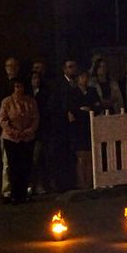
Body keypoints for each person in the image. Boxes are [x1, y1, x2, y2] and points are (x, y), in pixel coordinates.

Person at [0, 79, 39, 204]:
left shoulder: (30, 101)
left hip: (27, 138)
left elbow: (35, 117)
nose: (18, 89)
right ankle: (14, 194)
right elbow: (3, 120)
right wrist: (14, 132)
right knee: (13, 167)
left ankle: (24, 193)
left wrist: (28, 131)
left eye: (21, 86)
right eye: (16, 86)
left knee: (26, 166)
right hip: (11, 138)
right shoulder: (7, 102)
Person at [47, 59, 78, 192]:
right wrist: (66, 113)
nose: (73, 69)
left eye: (74, 67)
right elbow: (55, 104)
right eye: (70, 67)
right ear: (64, 69)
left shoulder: (75, 84)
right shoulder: (59, 85)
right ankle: (62, 184)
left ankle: (71, 181)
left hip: (72, 125)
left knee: (71, 155)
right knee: (61, 155)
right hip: (61, 126)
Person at [67, 70, 99, 189]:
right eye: (81, 77)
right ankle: (81, 182)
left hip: (90, 125)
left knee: (90, 155)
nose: (84, 79)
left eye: (85, 77)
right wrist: (80, 111)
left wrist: (89, 109)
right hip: (78, 127)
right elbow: (73, 109)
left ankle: (90, 181)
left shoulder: (92, 91)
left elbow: (97, 106)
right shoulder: (73, 93)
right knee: (81, 156)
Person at [0, 57, 21, 202]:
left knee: (21, 162)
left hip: (23, 132)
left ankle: (20, 189)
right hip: (8, 131)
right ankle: (7, 191)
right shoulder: (1, 86)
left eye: (13, 65)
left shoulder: (23, 85)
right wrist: (9, 128)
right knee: (7, 162)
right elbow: (1, 115)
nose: (10, 68)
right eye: (8, 66)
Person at [29, 70, 51, 195]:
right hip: (28, 131)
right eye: (33, 78)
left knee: (41, 159)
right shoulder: (27, 95)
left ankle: (42, 184)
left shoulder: (44, 94)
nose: (36, 81)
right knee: (33, 160)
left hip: (41, 130)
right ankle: (32, 185)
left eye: (37, 78)